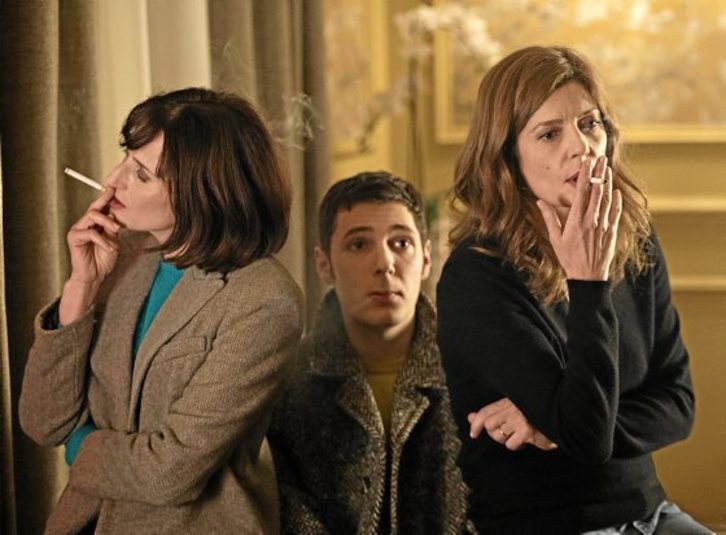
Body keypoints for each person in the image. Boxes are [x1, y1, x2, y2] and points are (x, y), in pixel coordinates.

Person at [437, 46, 712, 534]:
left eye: (590, 124)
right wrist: (589, 283)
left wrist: (551, 428)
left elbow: (677, 405)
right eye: (549, 133)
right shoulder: (476, 276)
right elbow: (588, 437)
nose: (581, 147)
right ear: (507, 157)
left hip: (649, 512)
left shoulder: (633, 237)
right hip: (547, 524)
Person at [19, 88, 304, 534]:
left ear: (202, 193)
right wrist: (82, 286)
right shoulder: (123, 256)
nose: (112, 181)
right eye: (125, 159)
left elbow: (168, 472)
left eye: (141, 174)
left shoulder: (264, 300)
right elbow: (42, 422)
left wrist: (81, 445)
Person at [267, 171, 470, 534]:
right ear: (324, 264)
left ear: (427, 258)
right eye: (359, 244)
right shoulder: (285, 382)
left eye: (401, 243)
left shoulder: (472, 370)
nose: (384, 263)